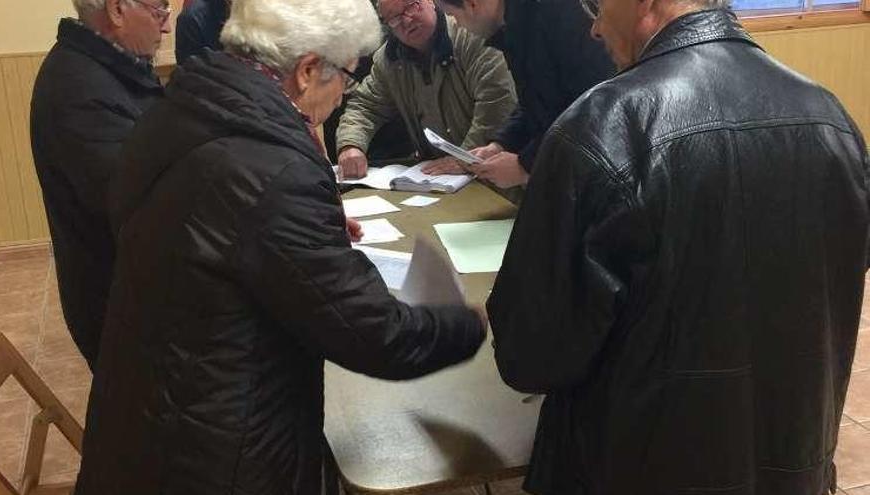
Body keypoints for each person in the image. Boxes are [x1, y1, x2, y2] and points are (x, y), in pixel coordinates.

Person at [74, 0, 487, 493]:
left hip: (148, 421)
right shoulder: (273, 169)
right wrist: (467, 325)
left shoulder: (181, 109)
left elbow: (221, 235)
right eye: (345, 79)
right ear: (308, 71)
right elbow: (373, 334)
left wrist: (305, 232)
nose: (342, 98)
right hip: (218, 455)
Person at [486, 0, 869, 493]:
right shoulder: (832, 119)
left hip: (630, 472)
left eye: (600, 7)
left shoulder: (601, 126)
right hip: (793, 468)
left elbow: (529, 354)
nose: (595, 28)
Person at [30, 0, 170, 369]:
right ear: (118, 10)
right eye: (160, 11)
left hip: (132, 299)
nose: (167, 27)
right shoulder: (81, 90)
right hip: (122, 313)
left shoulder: (109, 68)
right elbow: (147, 209)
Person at [438, 0, 613, 188]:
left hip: (600, 177)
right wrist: (501, 144)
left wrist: (526, 165)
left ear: (472, 4)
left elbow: (592, 107)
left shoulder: (557, 14)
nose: (456, 24)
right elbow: (534, 104)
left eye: (453, 15)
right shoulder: (514, 28)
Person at [336, 0, 516, 179]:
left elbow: (498, 100)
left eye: (411, 6)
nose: (406, 21)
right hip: (436, 178)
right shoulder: (389, 61)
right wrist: (350, 145)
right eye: (395, 19)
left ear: (431, 1)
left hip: (495, 173)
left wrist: (463, 157)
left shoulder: (472, 35)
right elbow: (365, 106)